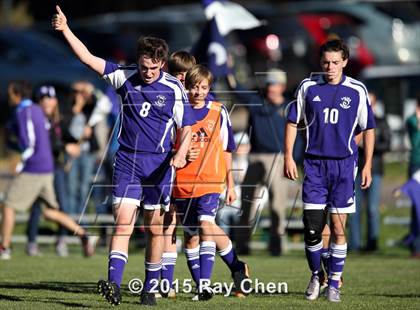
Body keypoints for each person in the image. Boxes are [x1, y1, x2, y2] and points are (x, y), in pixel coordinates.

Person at [52, 6, 195, 306]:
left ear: (163, 65)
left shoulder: (174, 89)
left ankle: (149, 288)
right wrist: (65, 29)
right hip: (128, 162)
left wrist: (180, 154)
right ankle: (114, 284)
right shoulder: (124, 77)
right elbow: (87, 58)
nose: (148, 73)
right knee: (122, 224)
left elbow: (188, 129)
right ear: (138, 61)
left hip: (158, 166)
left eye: (154, 69)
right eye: (144, 67)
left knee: (155, 229)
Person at [284, 39, 375, 302]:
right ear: (319, 62)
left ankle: (334, 282)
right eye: (326, 62)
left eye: (336, 62)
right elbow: (293, 122)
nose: (330, 67)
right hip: (314, 165)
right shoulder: (308, 87)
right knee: (312, 228)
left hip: (344, 167)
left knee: (337, 228)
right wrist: (289, 156)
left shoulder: (357, 90)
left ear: (345, 62)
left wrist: (367, 164)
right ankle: (317, 275)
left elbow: (368, 128)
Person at [158, 52, 249, 300]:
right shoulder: (174, 107)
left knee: (206, 225)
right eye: (177, 76)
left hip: (210, 181)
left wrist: (230, 183)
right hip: (179, 183)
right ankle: (229, 271)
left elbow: (228, 148)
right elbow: (163, 145)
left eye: (184, 77)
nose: (193, 88)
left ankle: (203, 285)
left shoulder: (217, 111)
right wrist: (180, 152)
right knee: (188, 235)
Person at [0, 80, 98, 260]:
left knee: (8, 206)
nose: (8, 97)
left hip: (34, 167)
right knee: (49, 212)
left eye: (10, 93)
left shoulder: (24, 111)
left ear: (16, 93)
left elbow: (28, 143)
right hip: (47, 168)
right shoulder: (37, 111)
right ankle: (85, 235)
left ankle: (4, 248)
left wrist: (21, 164)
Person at [228, 67, 292, 256]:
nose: (271, 88)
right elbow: (236, 90)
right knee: (247, 204)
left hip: (278, 159)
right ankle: (242, 245)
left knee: (277, 206)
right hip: (255, 157)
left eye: (274, 85)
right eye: (269, 84)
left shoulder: (289, 107)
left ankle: (277, 246)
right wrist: (228, 69)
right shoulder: (256, 102)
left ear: (282, 86)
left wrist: (292, 158)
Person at [26, 85, 81, 257]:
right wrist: (66, 146)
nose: (48, 102)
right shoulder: (36, 120)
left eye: (50, 98)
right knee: (38, 207)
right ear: (38, 102)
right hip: (40, 170)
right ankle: (32, 243)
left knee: (62, 207)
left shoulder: (57, 121)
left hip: (56, 170)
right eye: (44, 99)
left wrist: (76, 141)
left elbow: (67, 136)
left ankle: (61, 241)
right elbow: (45, 144)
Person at [350, 92, 390, 252]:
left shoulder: (380, 121)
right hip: (354, 169)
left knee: (372, 208)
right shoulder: (353, 121)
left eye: (370, 103)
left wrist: (368, 146)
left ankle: (372, 245)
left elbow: (387, 144)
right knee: (354, 209)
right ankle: (354, 244)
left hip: (375, 170)